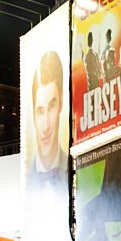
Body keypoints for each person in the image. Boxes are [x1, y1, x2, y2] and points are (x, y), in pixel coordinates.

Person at [29, 50, 67, 184]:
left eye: (51, 107)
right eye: (40, 111)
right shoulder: (25, 181)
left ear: (61, 102)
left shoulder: (75, 170)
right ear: (33, 114)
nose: (46, 126)